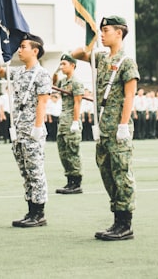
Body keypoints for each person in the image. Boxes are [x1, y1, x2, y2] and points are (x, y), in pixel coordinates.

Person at [72, 15, 138, 241]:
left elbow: (130, 95)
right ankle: (116, 220)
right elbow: (75, 55)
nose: (102, 33)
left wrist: (123, 125)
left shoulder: (126, 61)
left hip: (118, 129)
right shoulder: (101, 58)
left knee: (121, 175)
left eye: (106, 30)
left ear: (119, 33)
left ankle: (125, 224)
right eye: (100, 30)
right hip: (103, 128)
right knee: (107, 173)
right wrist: (89, 40)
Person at [0, 33, 50, 228]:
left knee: (36, 171)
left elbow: (42, 102)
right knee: (25, 171)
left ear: (35, 50)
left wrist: (38, 127)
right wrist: (2, 58)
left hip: (32, 129)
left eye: (23, 46)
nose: (19, 50)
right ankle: (30, 209)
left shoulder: (42, 74)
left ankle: (39, 212)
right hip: (18, 129)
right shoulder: (18, 72)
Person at [53, 53, 85, 195]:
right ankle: (69, 181)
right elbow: (53, 83)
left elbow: (78, 102)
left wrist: (76, 122)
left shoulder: (76, 82)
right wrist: (56, 70)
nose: (62, 67)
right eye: (61, 64)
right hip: (63, 121)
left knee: (72, 152)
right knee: (63, 152)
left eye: (64, 64)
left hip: (72, 120)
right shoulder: (63, 82)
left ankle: (76, 182)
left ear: (73, 65)